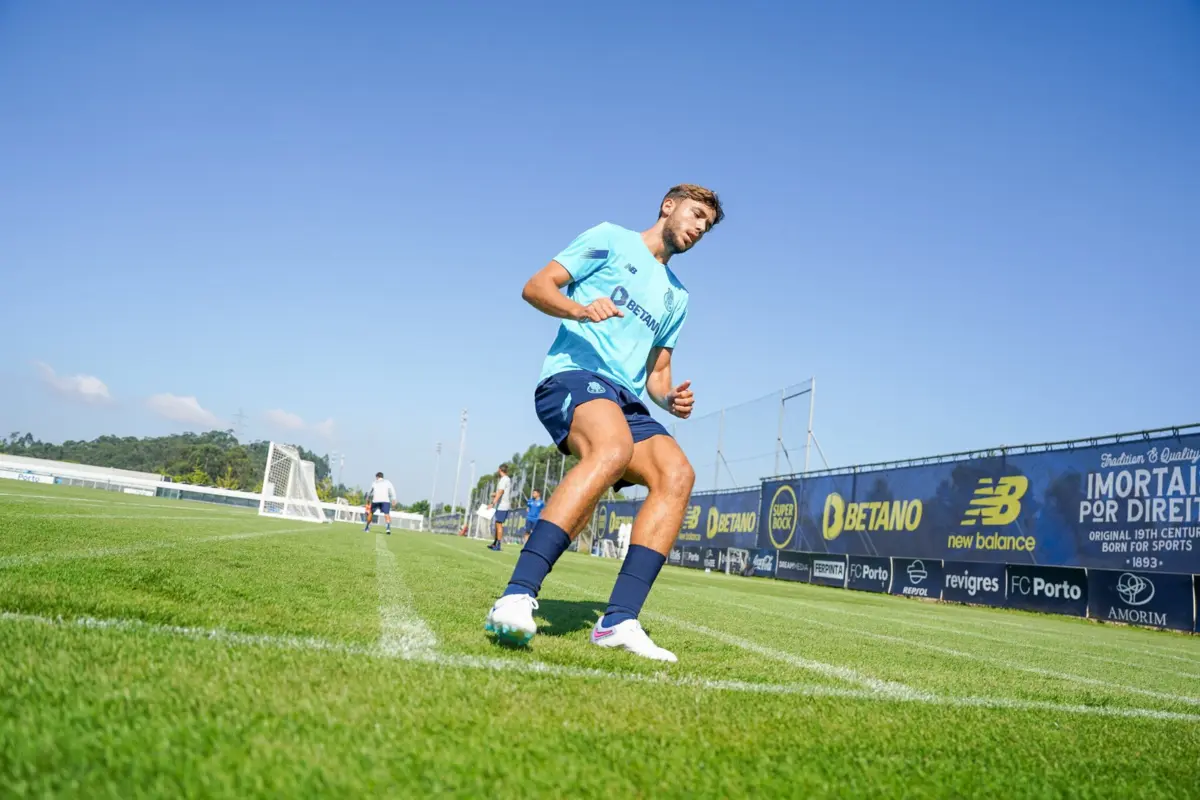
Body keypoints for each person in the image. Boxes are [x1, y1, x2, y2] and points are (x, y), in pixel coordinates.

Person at [485, 184, 722, 662]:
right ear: (668, 206)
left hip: (628, 399)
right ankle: (516, 594)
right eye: (696, 215)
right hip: (573, 377)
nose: (699, 228)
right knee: (610, 449)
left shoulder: (678, 297)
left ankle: (619, 621)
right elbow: (536, 286)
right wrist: (579, 308)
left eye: (707, 226)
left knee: (677, 475)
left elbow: (657, 374)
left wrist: (670, 399)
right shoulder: (612, 239)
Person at [486, 464, 513, 550]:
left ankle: (498, 545)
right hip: (501, 505)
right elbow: (501, 492)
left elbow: (501, 492)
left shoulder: (504, 479)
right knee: (497, 524)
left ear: (499, 470)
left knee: (499, 525)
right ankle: (495, 543)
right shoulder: (506, 479)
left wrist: (493, 503)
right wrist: (494, 494)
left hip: (502, 506)